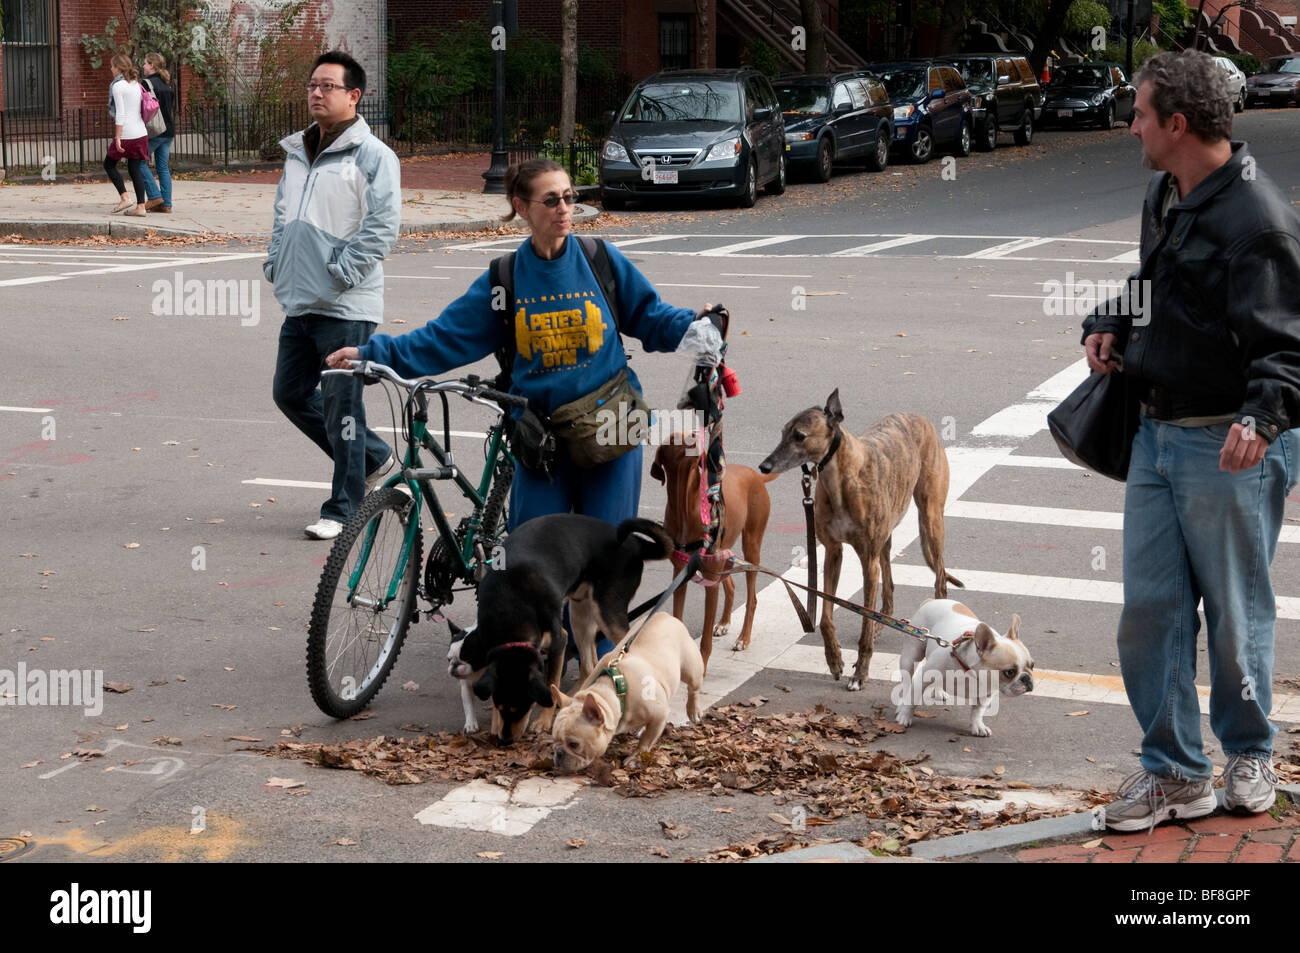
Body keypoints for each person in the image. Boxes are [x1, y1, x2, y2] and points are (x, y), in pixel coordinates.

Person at [1082, 50, 1300, 832]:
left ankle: (1248, 751)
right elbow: (1158, 283)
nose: (1131, 125)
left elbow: (1287, 342)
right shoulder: (1165, 194)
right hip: (1155, 433)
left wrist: (1263, 416)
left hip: (1229, 444)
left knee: (1236, 613)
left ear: (1177, 124)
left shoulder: (1258, 220)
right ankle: (1175, 772)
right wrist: (1108, 316)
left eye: (1140, 113)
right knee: (1151, 610)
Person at [324, 157, 713, 534]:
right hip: (541, 440)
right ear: (521, 207)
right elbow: (443, 338)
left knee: (607, 559)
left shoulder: (600, 261)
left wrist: (695, 327)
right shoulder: (505, 280)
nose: (564, 209)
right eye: (551, 200)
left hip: (612, 428)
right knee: (534, 565)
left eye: (569, 197)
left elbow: (650, 316)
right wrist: (371, 353)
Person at [266, 50, 400, 540]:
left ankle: (344, 507)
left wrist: (341, 273)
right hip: (300, 300)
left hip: (346, 303)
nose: (316, 93)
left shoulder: (373, 156)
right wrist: (275, 262)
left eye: (327, 86)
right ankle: (373, 456)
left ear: (353, 96)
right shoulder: (297, 152)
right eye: (312, 85)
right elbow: (283, 216)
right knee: (290, 393)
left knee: (343, 406)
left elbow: (383, 227)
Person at [104, 53, 150, 217]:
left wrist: (117, 137)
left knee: (109, 164)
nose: (110, 68)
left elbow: (121, 114)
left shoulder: (118, 86)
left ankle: (124, 198)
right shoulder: (136, 84)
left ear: (118, 67)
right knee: (134, 168)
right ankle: (141, 206)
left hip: (127, 134)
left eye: (112, 65)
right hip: (141, 133)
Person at [140, 52, 176, 213]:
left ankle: (154, 196)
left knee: (138, 161)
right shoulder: (167, 84)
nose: (143, 66)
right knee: (163, 168)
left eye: (145, 63)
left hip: (155, 131)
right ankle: (166, 204)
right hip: (169, 131)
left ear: (152, 65)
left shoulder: (147, 84)